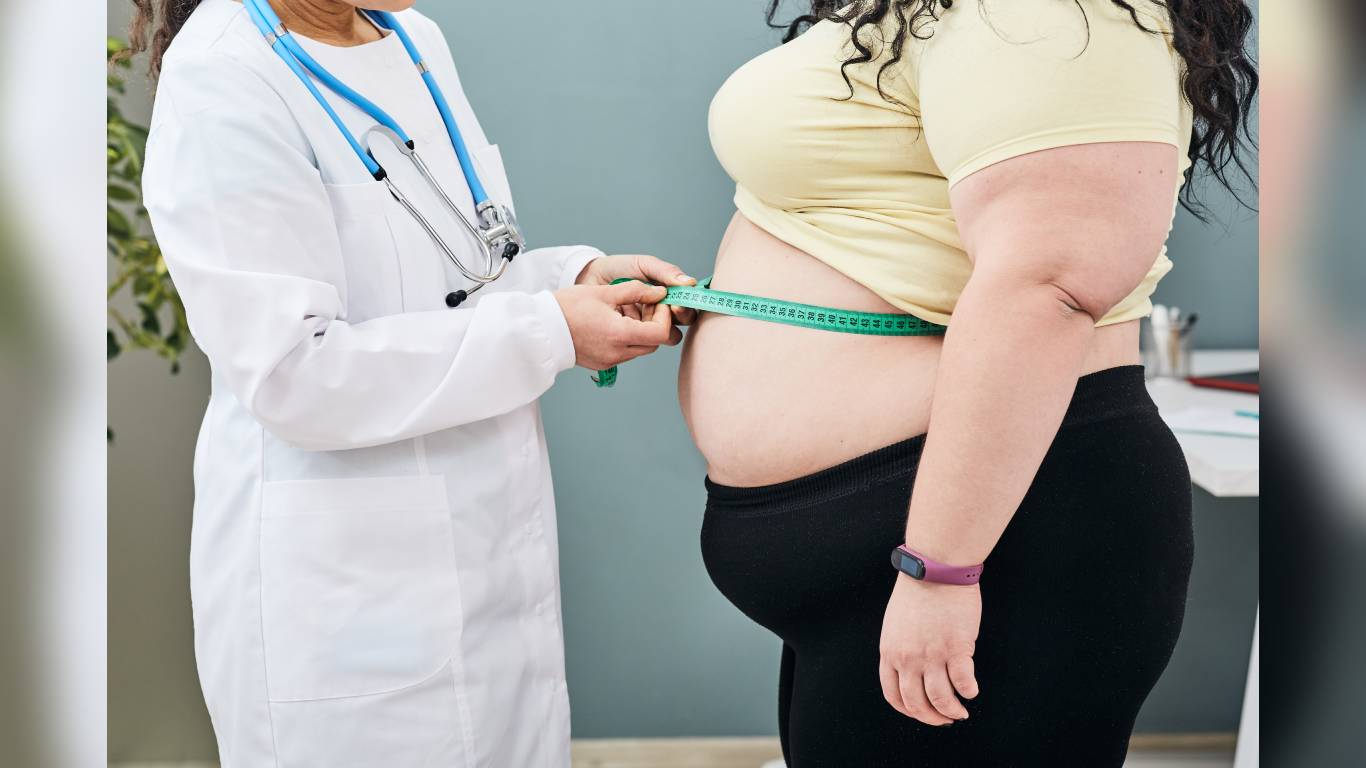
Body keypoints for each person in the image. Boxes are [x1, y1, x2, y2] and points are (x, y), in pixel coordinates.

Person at [681, 0, 1256, 764]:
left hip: (998, 542)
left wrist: (941, 571)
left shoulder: (1056, 13)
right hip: (895, 554)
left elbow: (1049, 284)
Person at [133, 0, 692, 764]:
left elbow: (453, 283)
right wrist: (551, 328)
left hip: (491, 568)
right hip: (347, 607)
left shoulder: (412, 38)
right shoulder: (223, 74)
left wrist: (572, 281)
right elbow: (295, 373)